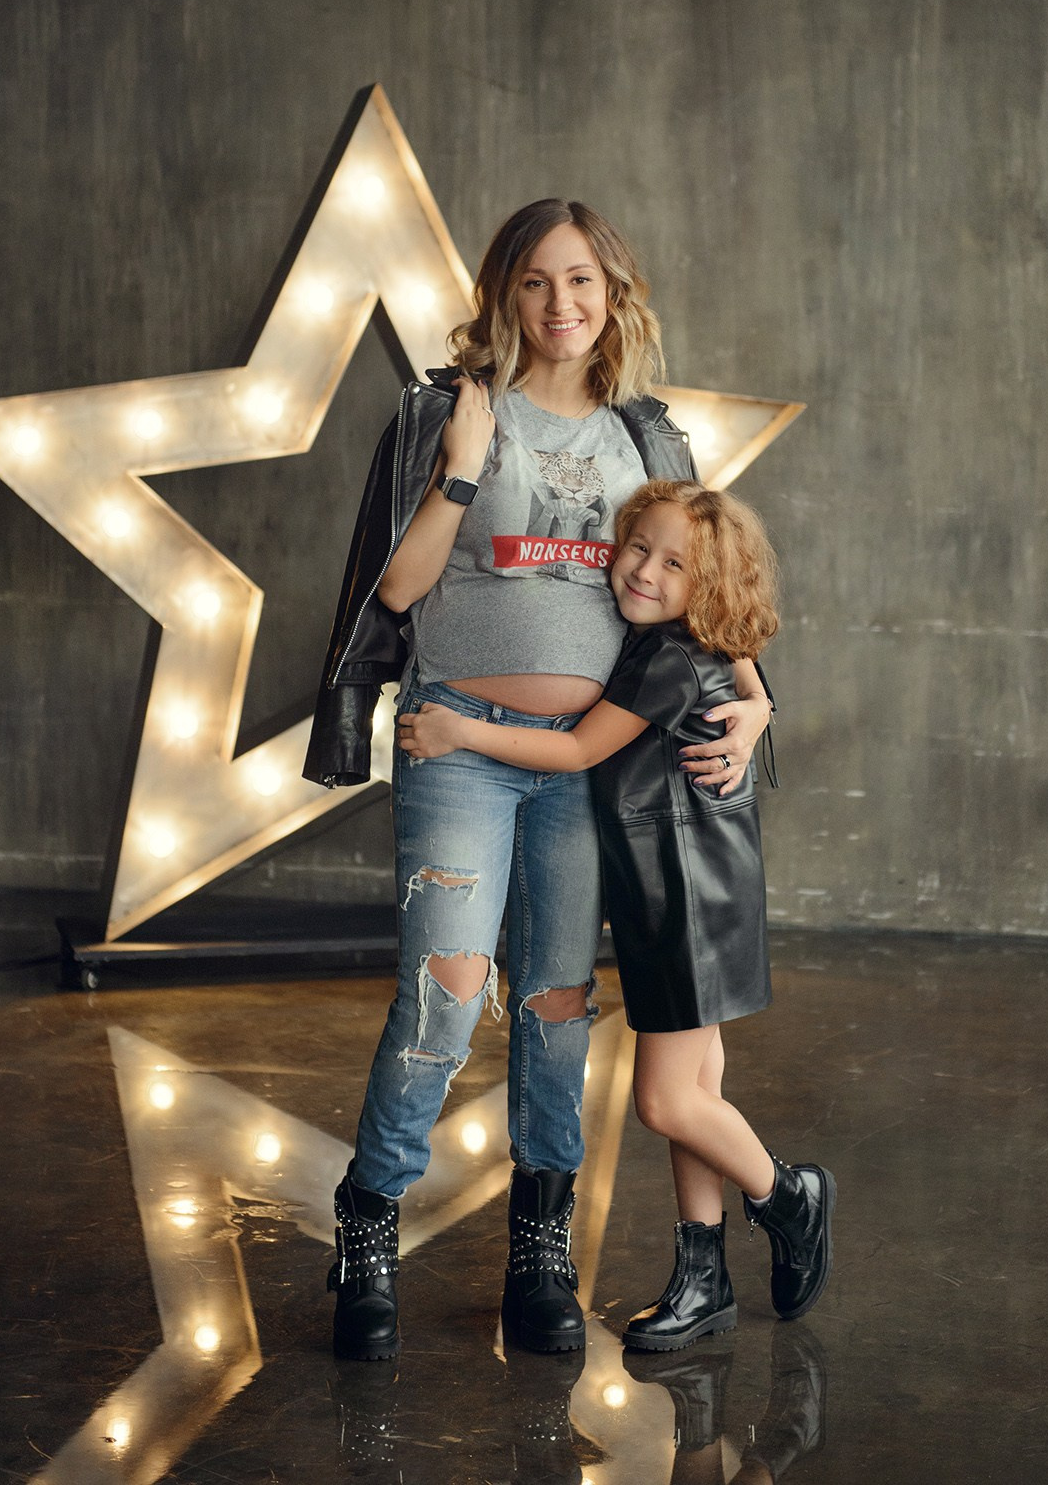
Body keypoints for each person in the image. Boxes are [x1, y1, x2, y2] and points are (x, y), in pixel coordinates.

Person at [302, 199, 775, 1360]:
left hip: (592, 769)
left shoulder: (647, 437)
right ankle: (367, 1231)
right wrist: (460, 477)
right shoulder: (445, 412)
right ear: (501, 295)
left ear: (612, 295)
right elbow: (397, 592)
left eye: (582, 282)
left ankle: (540, 1248)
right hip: (459, 740)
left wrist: (756, 699)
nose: (560, 306)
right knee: (446, 996)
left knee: (557, 1009)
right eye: (533, 284)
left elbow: (707, 584)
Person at [399, 478, 835, 1351]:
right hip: (676, 894)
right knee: (698, 1095)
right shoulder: (669, 642)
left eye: (674, 565)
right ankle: (703, 1280)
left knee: (666, 1103)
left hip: (687, 904)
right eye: (637, 548)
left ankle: (789, 1195)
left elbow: (574, 750)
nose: (643, 572)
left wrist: (462, 732)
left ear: (705, 587)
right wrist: (758, 704)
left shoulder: (670, 660)